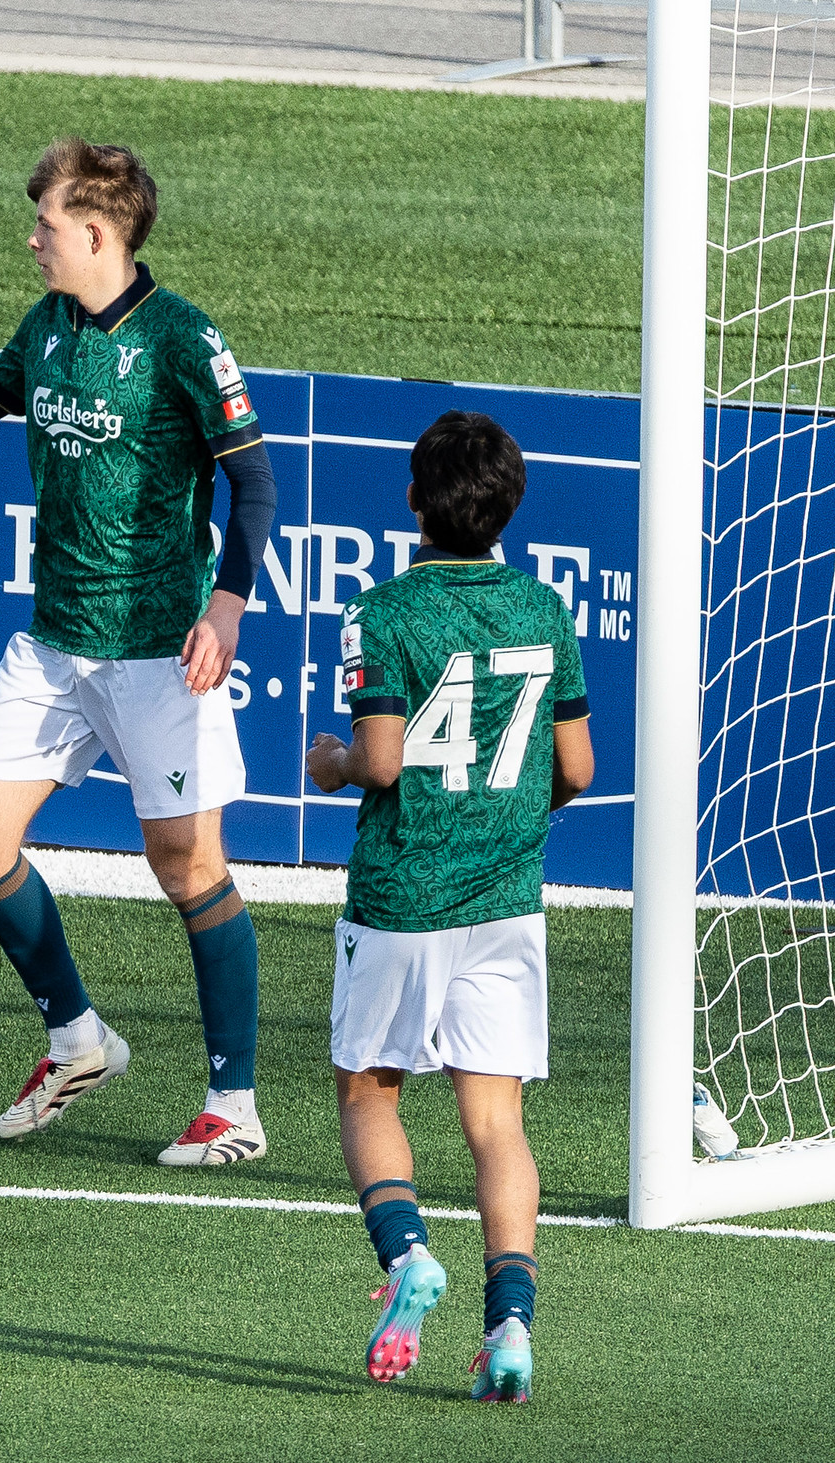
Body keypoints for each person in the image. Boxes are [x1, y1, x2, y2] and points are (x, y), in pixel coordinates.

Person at [0, 137, 279, 1163]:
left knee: (189, 870)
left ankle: (235, 1105)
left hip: (153, 652)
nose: (32, 238)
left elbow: (252, 480)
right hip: (52, 643)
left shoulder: (182, 337)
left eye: (44, 224)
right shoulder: (45, 326)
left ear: (96, 232)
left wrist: (225, 605)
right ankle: (76, 1034)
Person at [305, 410, 593, 1401]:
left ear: (413, 501)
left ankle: (405, 1256)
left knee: (367, 1088)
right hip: (505, 899)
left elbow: (379, 757)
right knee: (495, 1122)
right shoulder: (543, 608)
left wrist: (331, 763)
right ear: (507, 505)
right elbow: (576, 769)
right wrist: (507, 813)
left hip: (400, 897)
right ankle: (508, 1322)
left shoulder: (381, 611)